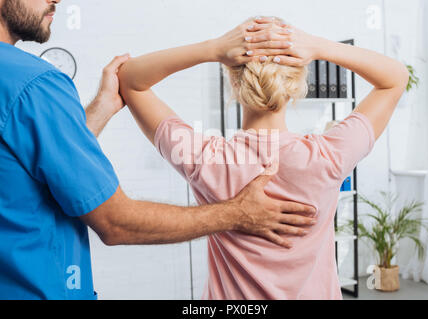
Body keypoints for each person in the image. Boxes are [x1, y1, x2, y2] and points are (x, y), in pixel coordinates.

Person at [0, 0, 316, 300]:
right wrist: (238, 212)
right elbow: (115, 222)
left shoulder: (204, 156)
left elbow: (43, 152)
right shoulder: (35, 84)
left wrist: (104, 106)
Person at [118, 17, 409, 299]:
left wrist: (212, 49)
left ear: (233, 83)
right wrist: (319, 46)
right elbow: (395, 79)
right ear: (296, 86)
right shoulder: (328, 157)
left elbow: (131, 80)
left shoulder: (205, 159)